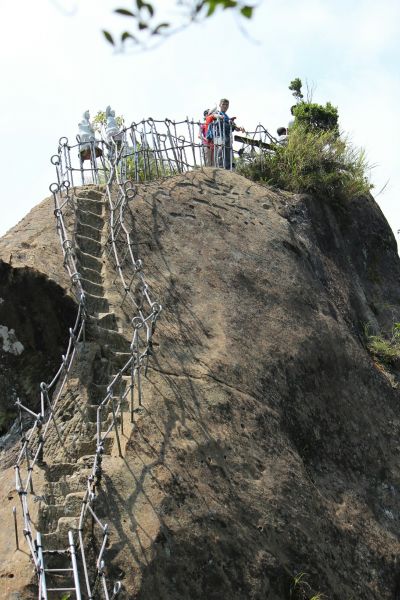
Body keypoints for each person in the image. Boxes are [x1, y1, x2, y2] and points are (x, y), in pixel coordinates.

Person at [209, 99, 245, 169]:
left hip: (227, 136)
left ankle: (229, 166)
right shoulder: (217, 112)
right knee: (220, 150)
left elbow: (235, 127)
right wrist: (220, 117)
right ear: (220, 105)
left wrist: (240, 128)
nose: (225, 106)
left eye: (227, 105)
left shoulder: (227, 116)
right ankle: (220, 166)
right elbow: (213, 115)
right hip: (219, 135)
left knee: (228, 150)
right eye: (223, 104)